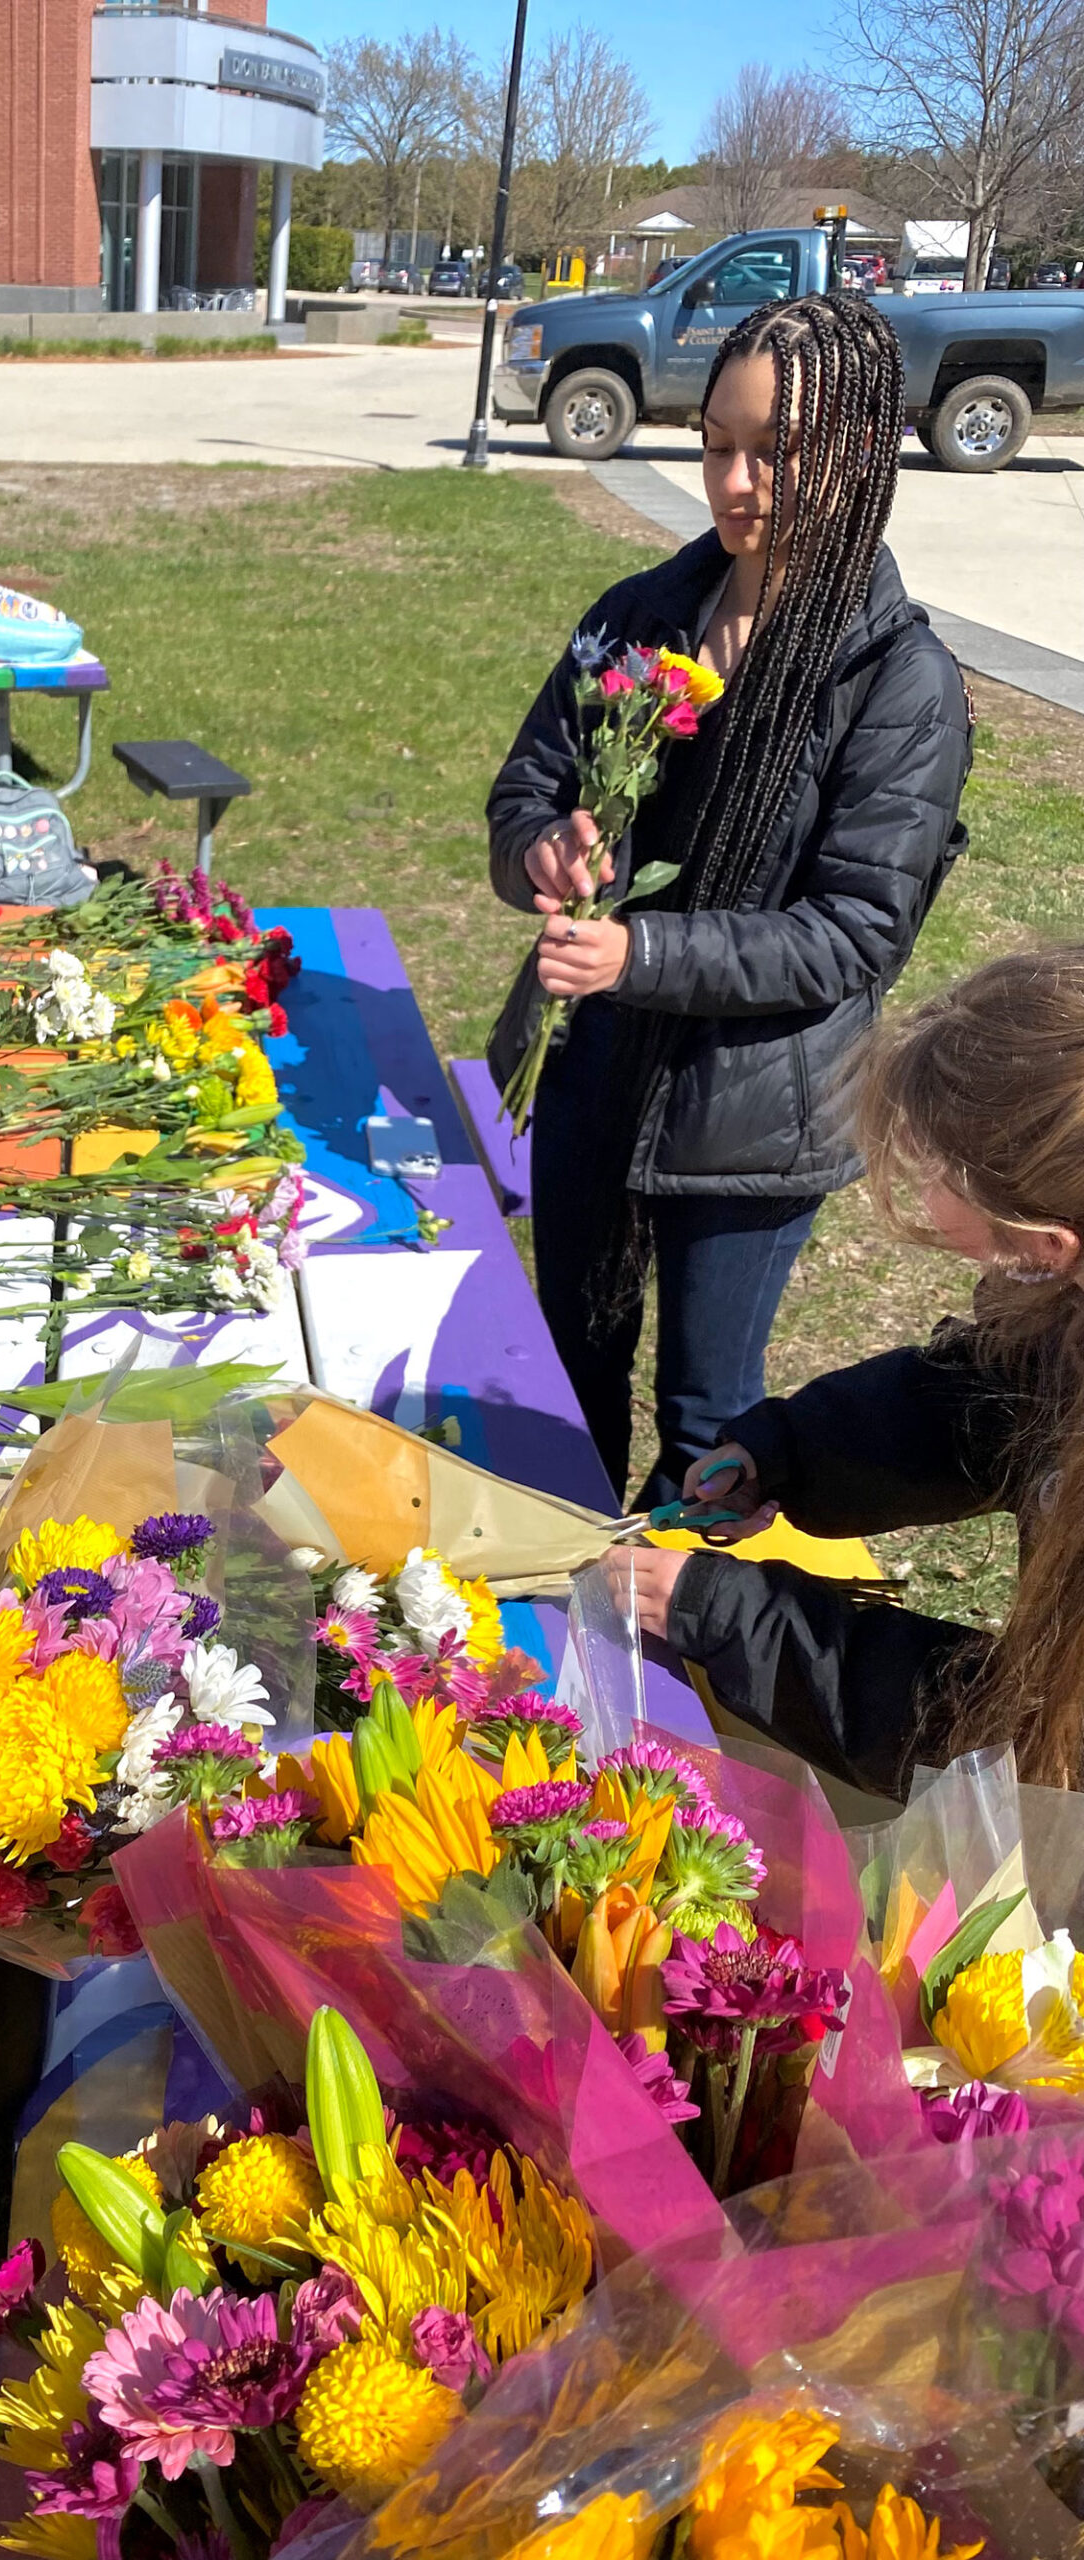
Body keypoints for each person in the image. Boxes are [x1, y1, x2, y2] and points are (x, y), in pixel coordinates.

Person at [487, 292, 971, 1509]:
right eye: (716, 445)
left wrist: (636, 955)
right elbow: (526, 788)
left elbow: (852, 934)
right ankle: (563, 1588)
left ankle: (672, 1619)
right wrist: (544, 849)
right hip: (596, 1070)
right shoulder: (641, 614)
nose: (736, 482)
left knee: (707, 1425)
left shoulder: (901, 682)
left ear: (860, 453)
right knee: (568, 1372)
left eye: (776, 451)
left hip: (753, 1120)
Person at [608, 949, 1084, 1800]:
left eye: (938, 1179)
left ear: (1048, 1242)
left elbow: (1027, 1736)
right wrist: (794, 1451)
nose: (923, 1195)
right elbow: (989, 1398)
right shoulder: (1062, 1300)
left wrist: (730, 1617)